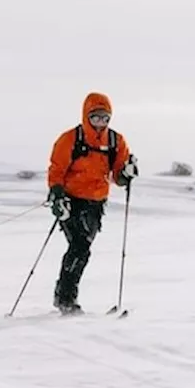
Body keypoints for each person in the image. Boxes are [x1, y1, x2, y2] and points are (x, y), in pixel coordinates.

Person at [46, 92, 138, 314]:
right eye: (95, 118)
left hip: (96, 204)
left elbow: (118, 175)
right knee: (80, 247)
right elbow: (56, 170)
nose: (100, 124)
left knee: (81, 248)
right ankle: (65, 298)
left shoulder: (116, 141)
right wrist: (57, 196)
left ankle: (65, 296)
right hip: (70, 201)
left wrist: (126, 173)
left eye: (105, 118)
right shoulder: (70, 139)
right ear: (86, 116)